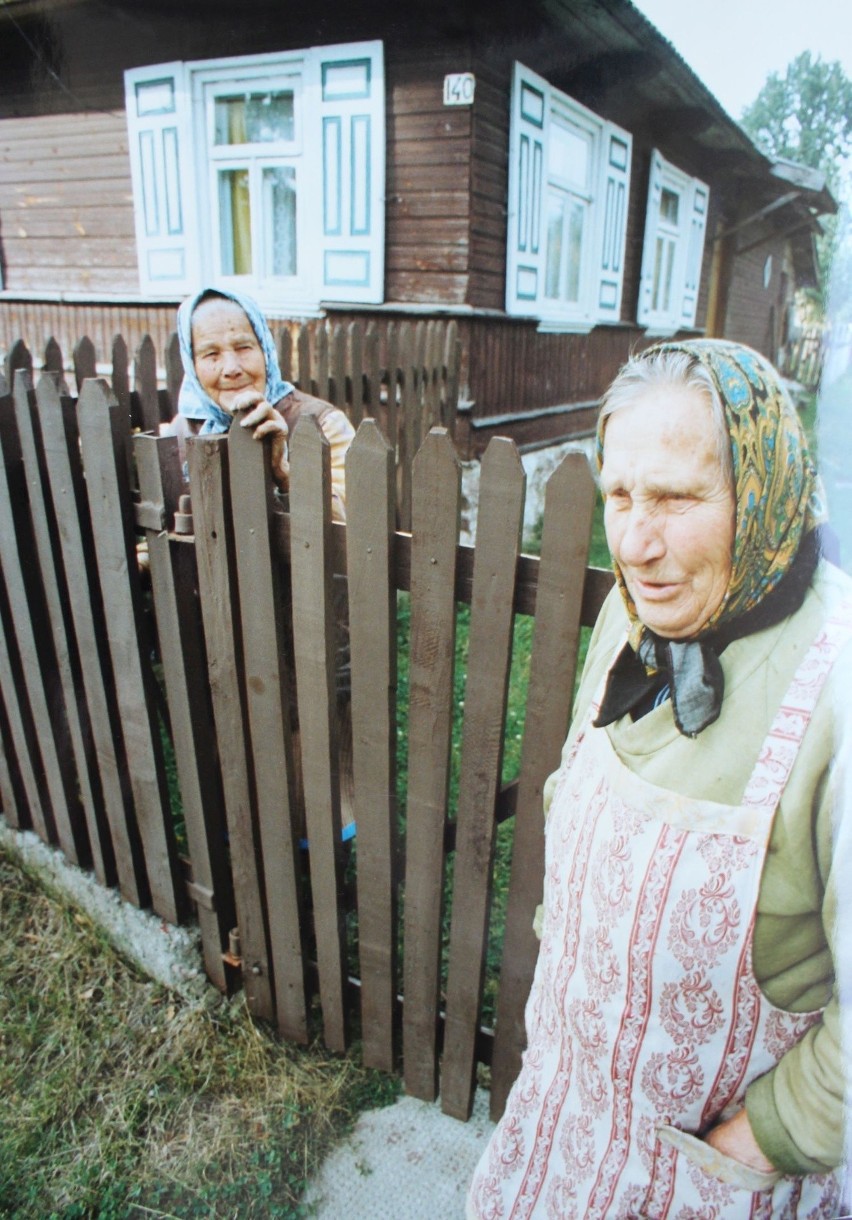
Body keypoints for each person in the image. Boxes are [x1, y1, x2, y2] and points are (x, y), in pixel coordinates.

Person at [468, 339, 851, 1218]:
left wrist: (770, 1134)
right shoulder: (636, 609)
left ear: (761, 488)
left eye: (678, 498)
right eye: (620, 495)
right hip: (569, 1119)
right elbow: (580, 781)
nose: (637, 544)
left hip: (711, 1177)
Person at [176, 287, 354, 523]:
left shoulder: (325, 424)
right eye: (211, 354)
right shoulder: (183, 430)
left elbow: (356, 529)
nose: (231, 368)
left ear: (265, 350)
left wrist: (284, 474)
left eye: (243, 348)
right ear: (192, 365)